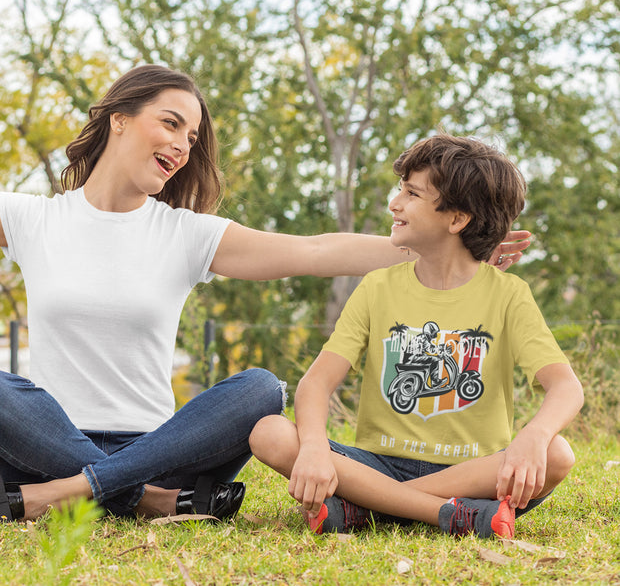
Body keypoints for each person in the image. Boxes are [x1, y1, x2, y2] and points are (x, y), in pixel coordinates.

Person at [0, 66, 528, 524]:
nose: (184, 145)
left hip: (161, 449)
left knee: (260, 389)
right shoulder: (32, 217)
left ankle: (80, 492)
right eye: (170, 123)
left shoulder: (185, 233)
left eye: (192, 135)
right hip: (46, 446)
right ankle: (147, 501)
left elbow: (315, 252)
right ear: (119, 118)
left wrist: (445, 243)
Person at [250, 133, 583, 539]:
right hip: (377, 462)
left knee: (556, 453)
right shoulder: (377, 287)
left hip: (471, 471)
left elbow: (566, 386)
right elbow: (317, 383)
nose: (395, 203)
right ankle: (453, 515)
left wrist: (534, 435)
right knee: (270, 433)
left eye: (411, 193)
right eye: (400, 190)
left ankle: (368, 508)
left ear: (457, 219)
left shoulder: (508, 294)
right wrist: (317, 446)